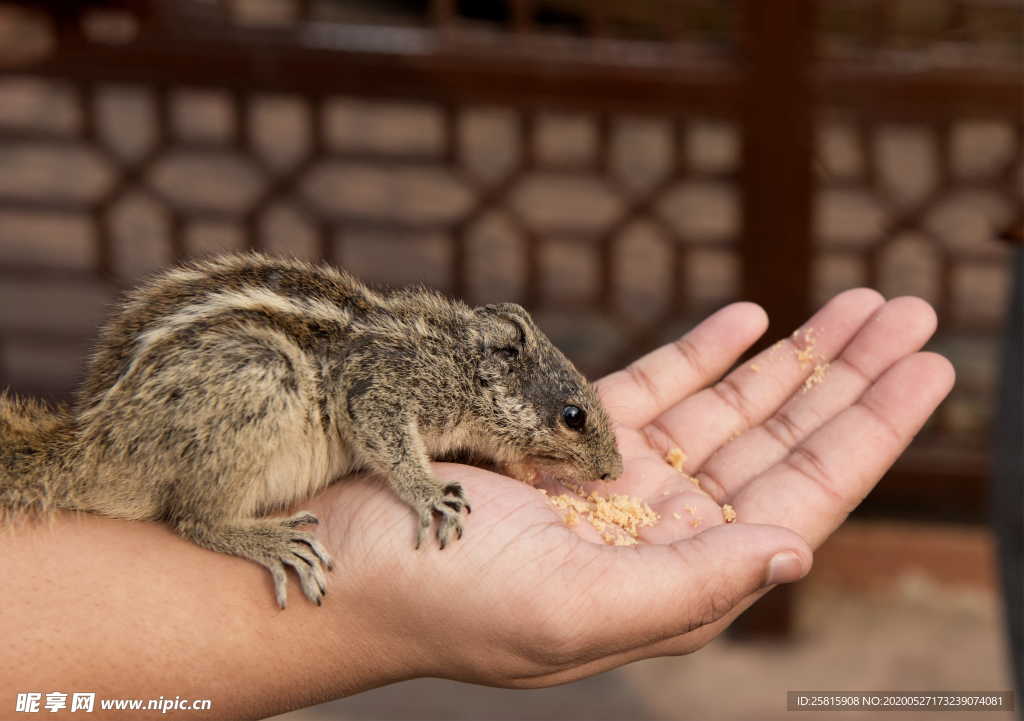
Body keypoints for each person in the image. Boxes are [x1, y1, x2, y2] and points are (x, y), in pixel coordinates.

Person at [0, 289, 953, 719]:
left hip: (199, 407)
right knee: (262, 380)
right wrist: (415, 488)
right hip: (210, 399)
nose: (586, 447)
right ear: (505, 370)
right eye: (573, 422)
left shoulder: (461, 378)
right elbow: (372, 407)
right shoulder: (431, 370)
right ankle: (211, 521)